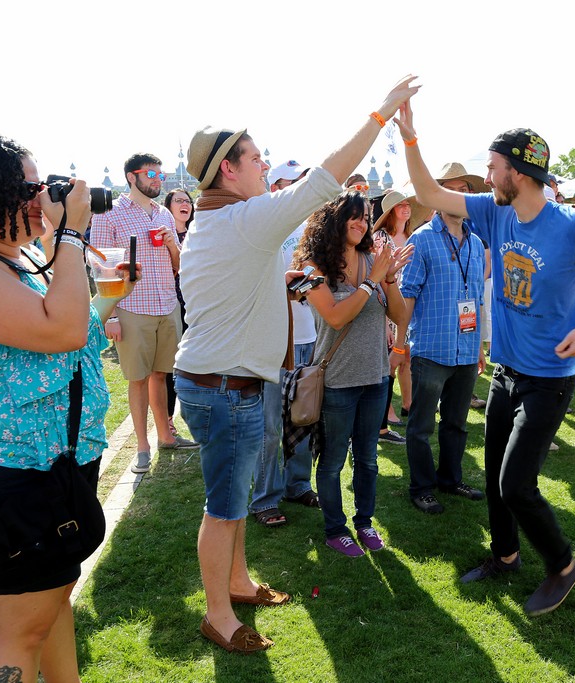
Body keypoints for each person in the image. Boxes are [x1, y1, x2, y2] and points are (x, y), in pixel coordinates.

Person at [175, 75, 419, 653]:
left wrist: (277, 282)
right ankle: (218, 615)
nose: (264, 165)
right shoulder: (244, 219)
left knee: (234, 501)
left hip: (224, 381)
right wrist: (381, 114)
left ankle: (237, 582)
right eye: (255, 158)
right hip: (225, 387)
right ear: (227, 170)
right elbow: (324, 180)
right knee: (223, 508)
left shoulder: (222, 221)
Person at [398, 101, 575, 616]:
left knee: (516, 485)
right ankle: (505, 556)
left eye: (492, 167)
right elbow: (429, 194)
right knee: (493, 479)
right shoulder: (495, 211)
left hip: (548, 379)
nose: (486, 177)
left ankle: (563, 565)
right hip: (505, 374)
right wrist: (411, 139)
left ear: (519, 172)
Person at [0, 130, 136, 683]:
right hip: (11, 478)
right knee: (20, 631)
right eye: (30, 188)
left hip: (52, 467)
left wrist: (97, 287)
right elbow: (62, 330)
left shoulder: (18, 259)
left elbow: (73, 328)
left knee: (51, 606)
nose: (43, 197)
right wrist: (69, 233)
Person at [293, 191, 412, 555]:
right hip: (337, 381)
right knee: (332, 462)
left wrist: (388, 280)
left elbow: (400, 316)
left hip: (376, 377)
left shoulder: (372, 260)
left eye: (366, 217)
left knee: (368, 459)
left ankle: (364, 523)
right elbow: (335, 316)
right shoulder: (313, 267)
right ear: (335, 220)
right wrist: (371, 280)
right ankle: (335, 529)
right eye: (355, 216)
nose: (362, 223)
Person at [91, 153, 194, 475]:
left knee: (161, 375)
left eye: (160, 175)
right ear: (131, 176)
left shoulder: (163, 213)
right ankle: (141, 447)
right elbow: (100, 267)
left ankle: (165, 436)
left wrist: (172, 245)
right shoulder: (110, 213)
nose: (157, 180)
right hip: (131, 308)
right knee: (137, 379)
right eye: (151, 174)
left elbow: (179, 266)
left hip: (167, 304)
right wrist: (110, 316)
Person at [395, 162, 488, 514]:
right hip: (431, 348)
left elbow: (476, 298)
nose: (459, 196)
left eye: (465, 191)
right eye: (452, 189)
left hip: (466, 349)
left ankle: (450, 479)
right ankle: (422, 487)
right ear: (437, 195)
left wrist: (478, 346)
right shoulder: (421, 239)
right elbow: (408, 294)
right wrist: (401, 343)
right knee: (421, 425)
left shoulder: (475, 243)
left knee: (456, 423)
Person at [249, 159, 321, 529]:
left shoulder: (313, 230)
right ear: (276, 187)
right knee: (269, 425)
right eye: (293, 183)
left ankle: (298, 485)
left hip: (309, 336)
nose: (300, 190)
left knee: (304, 414)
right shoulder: (263, 228)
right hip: (274, 339)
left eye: (303, 182)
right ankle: (265, 497)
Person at [372, 189, 431, 441]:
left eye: (408, 204)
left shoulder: (414, 236)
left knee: (407, 356)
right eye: (400, 205)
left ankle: (408, 403)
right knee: (390, 361)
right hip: (387, 305)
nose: (406, 208)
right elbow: (377, 276)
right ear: (390, 212)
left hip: (410, 304)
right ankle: (386, 412)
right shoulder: (380, 237)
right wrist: (385, 321)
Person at [162, 187, 195, 446]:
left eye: (188, 200)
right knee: (168, 366)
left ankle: (195, 415)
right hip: (171, 304)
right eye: (179, 200)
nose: (185, 204)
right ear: (168, 206)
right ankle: (167, 422)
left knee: (191, 362)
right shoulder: (161, 234)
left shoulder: (198, 233)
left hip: (196, 306)